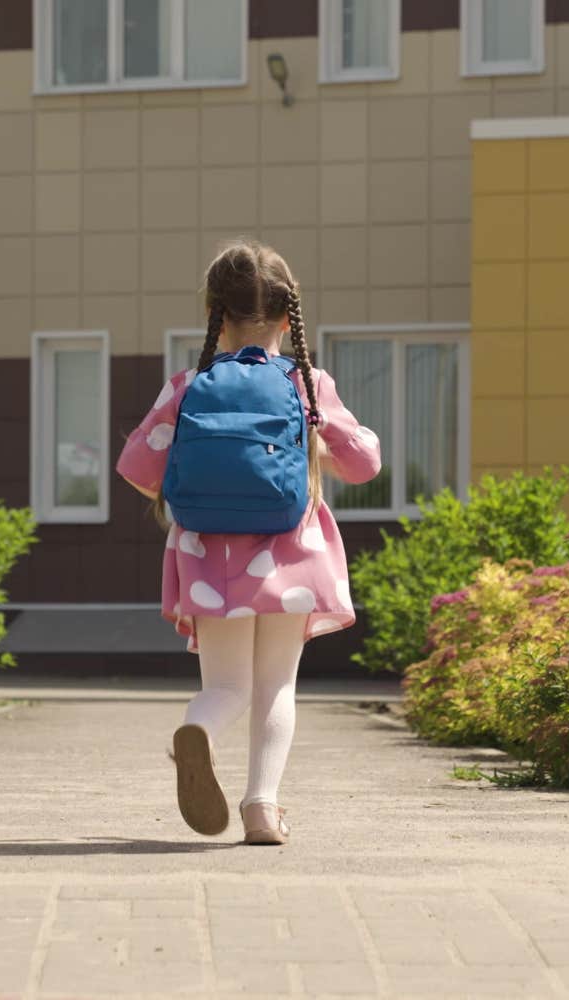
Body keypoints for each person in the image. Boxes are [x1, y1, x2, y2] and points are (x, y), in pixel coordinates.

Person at [116, 239, 381, 845]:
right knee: (276, 686)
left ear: (216, 312)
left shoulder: (187, 385)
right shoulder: (308, 383)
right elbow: (364, 463)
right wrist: (321, 444)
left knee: (227, 687)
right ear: (289, 317)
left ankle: (200, 732)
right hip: (291, 554)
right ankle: (262, 809)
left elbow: (136, 467)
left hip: (208, 556)